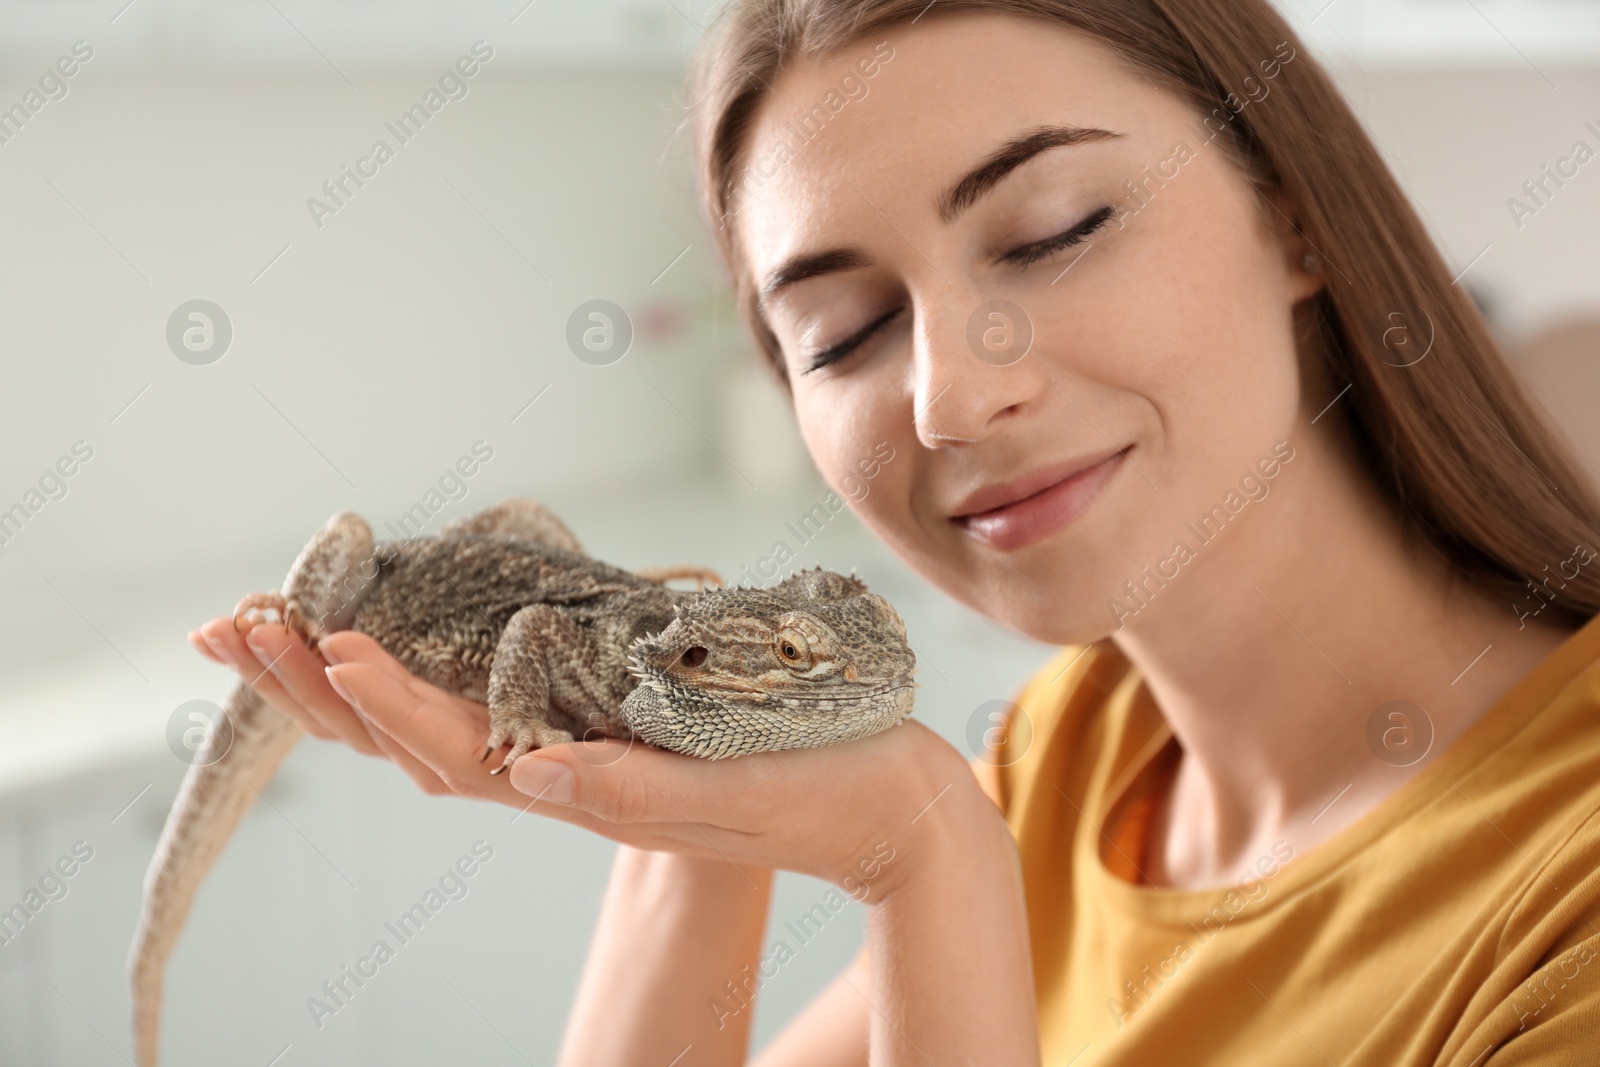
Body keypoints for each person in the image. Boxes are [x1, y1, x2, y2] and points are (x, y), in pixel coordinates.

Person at [192, 0, 1600, 1062]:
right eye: (846, 330)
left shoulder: (1566, 904)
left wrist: (925, 860)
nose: (950, 394)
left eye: (1051, 230)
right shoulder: (1072, 756)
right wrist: (678, 777)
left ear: (1294, 214)